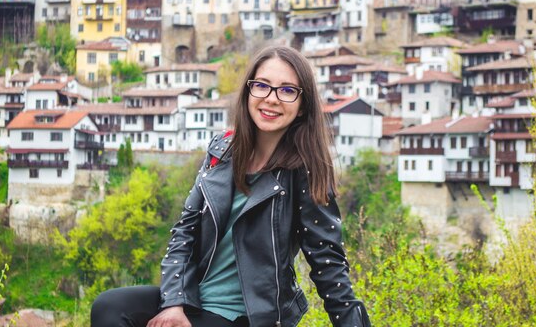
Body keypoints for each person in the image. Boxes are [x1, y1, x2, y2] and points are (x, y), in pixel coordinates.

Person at [91, 45, 370, 327]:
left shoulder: (305, 171)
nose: (271, 99)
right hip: (195, 299)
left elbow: (329, 265)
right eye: (262, 86)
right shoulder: (222, 151)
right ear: (249, 92)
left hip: (247, 315)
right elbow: (184, 232)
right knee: (110, 306)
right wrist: (175, 304)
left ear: (302, 106)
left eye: (287, 90)